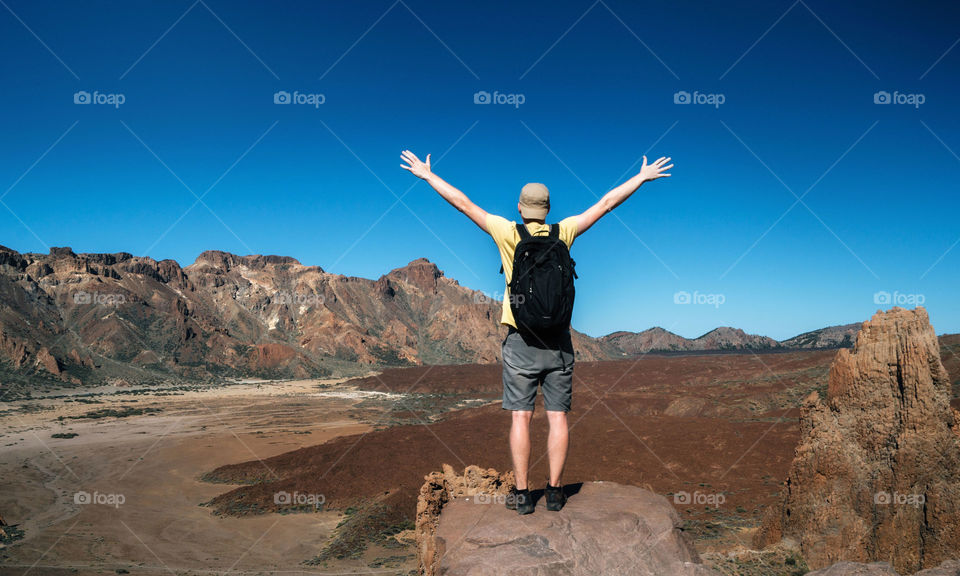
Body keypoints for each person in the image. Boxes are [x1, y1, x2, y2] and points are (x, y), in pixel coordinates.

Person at [400, 150, 672, 514]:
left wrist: (427, 176)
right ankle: (556, 492)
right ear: (547, 208)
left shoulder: (507, 232)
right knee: (558, 416)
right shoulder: (566, 231)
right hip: (558, 342)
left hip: (520, 341)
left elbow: (463, 204)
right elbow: (606, 203)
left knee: (521, 416)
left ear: (520, 207)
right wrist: (640, 178)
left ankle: (524, 494)